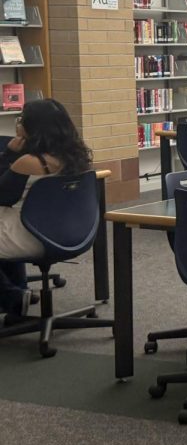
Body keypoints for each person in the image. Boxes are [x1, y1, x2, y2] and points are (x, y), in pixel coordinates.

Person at [0, 99, 93, 325]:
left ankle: (12, 297)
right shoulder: (79, 158)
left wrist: (8, 155)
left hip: (37, 235)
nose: (19, 123)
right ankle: (17, 295)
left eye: (22, 120)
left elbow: (3, 195)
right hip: (75, 232)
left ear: (34, 127)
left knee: (6, 223)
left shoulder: (30, 162)